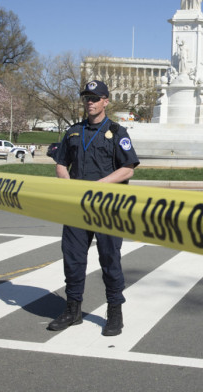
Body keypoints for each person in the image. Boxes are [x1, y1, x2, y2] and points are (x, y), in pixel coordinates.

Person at [48, 79, 140, 336]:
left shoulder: (117, 132)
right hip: (77, 207)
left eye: (95, 98)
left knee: (110, 260)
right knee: (73, 260)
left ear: (105, 101)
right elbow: (61, 163)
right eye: (87, 98)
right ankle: (73, 309)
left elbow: (127, 168)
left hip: (107, 207)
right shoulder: (74, 132)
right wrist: (68, 185)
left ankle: (114, 312)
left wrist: (99, 184)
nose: (90, 102)